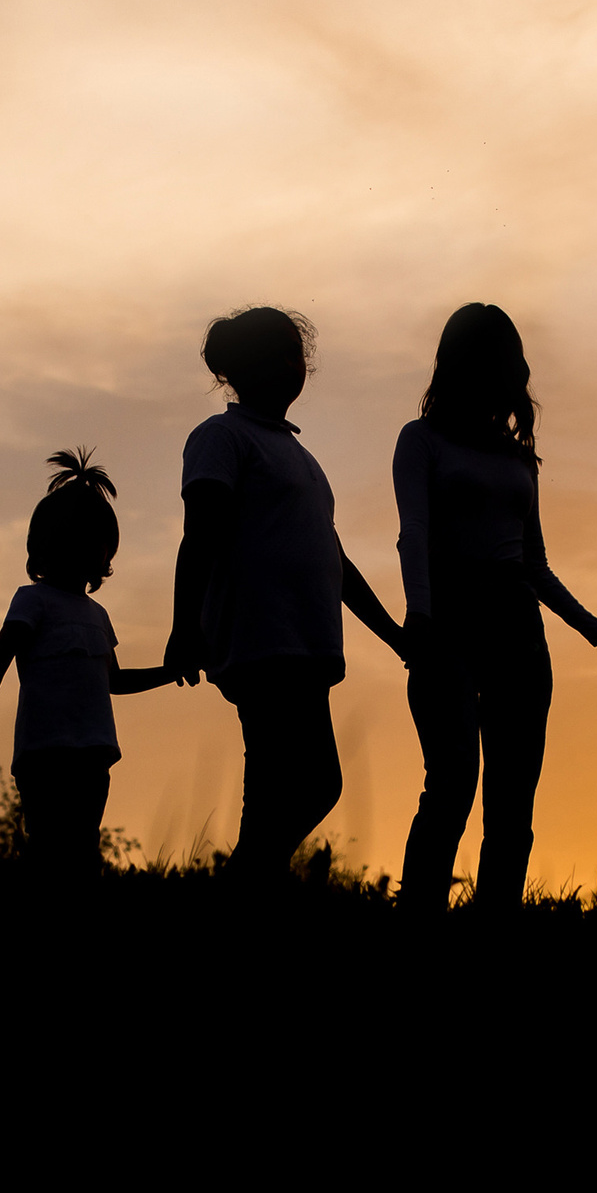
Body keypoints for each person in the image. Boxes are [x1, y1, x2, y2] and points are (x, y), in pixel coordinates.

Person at [164, 307, 408, 888]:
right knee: (304, 782)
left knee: (296, 786)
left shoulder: (299, 458)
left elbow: (334, 561)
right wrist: (184, 626)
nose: (292, 366)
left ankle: (251, 881)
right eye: (278, 354)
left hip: (303, 641)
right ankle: (249, 882)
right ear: (243, 368)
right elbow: (200, 534)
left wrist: (395, 635)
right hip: (261, 638)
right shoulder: (221, 437)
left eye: (295, 355)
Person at [392, 304, 597, 913]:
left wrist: (593, 627)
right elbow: (415, 533)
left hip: (517, 630)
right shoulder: (421, 440)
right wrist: (423, 618)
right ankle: (419, 913)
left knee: (512, 804)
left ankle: (496, 928)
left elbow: (533, 564)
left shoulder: (517, 458)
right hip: (448, 625)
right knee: (454, 782)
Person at [0, 450, 181, 899]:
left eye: (99, 541)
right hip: (46, 752)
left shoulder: (98, 615)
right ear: (49, 545)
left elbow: (115, 682)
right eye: (80, 537)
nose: (92, 548)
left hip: (93, 753)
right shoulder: (33, 601)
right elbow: (0, 655)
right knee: (48, 848)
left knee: (83, 849)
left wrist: (169, 672)